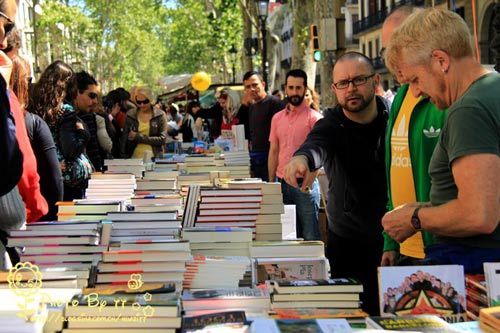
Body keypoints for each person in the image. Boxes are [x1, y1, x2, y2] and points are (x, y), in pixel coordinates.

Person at [382, 8, 500, 274]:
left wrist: (415, 217)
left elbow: (479, 215)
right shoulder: (492, 89)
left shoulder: (467, 110)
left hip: (474, 266)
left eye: (415, 79)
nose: (416, 91)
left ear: (440, 61)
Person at [283, 52, 389, 315]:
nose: (350, 88)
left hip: (395, 240)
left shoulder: (394, 117)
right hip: (348, 243)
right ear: (334, 89)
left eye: (358, 80)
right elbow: (316, 145)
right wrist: (302, 160)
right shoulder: (331, 123)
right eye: (343, 83)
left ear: (375, 81)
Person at [380, 6, 447, 267]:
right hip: (405, 245)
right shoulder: (401, 98)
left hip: (438, 247)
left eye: (397, 46)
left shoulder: (443, 99)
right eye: (386, 49)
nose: (391, 57)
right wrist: (390, 241)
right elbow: (394, 169)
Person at [269, 69, 322, 240]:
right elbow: (274, 151)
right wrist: (271, 184)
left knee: (310, 235)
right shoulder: (277, 118)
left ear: (305, 88)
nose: (294, 92)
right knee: (288, 236)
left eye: (298, 88)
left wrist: (309, 182)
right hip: (282, 184)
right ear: (285, 88)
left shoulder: (315, 118)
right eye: (291, 87)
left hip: (305, 185)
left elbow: (321, 154)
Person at [28, 61, 93, 201]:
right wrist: (83, 135)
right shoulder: (64, 111)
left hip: (39, 173)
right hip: (65, 181)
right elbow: (70, 150)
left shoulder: (30, 104)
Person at [244, 71, 284, 181]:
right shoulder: (252, 107)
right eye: (248, 87)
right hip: (256, 159)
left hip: (273, 159)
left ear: (263, 84)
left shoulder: (275, 103)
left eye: (255, 85)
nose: (251, 89)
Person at [121, 86, 167, 159]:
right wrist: (123, 156)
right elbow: (124, 138)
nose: (142, 105)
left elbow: (162, 139)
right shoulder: (130, 114)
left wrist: (138, 137)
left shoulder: (160, 115)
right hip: (133, 157)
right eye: (139, 102)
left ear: (150, 100)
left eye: (145, 102)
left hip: (154, 158)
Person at [74, 71, 107, 171]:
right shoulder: (62, 117)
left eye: (96, 97)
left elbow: (93, 150)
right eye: (92, 96)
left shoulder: (88, 115)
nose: (95, 101)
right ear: (76, 92)